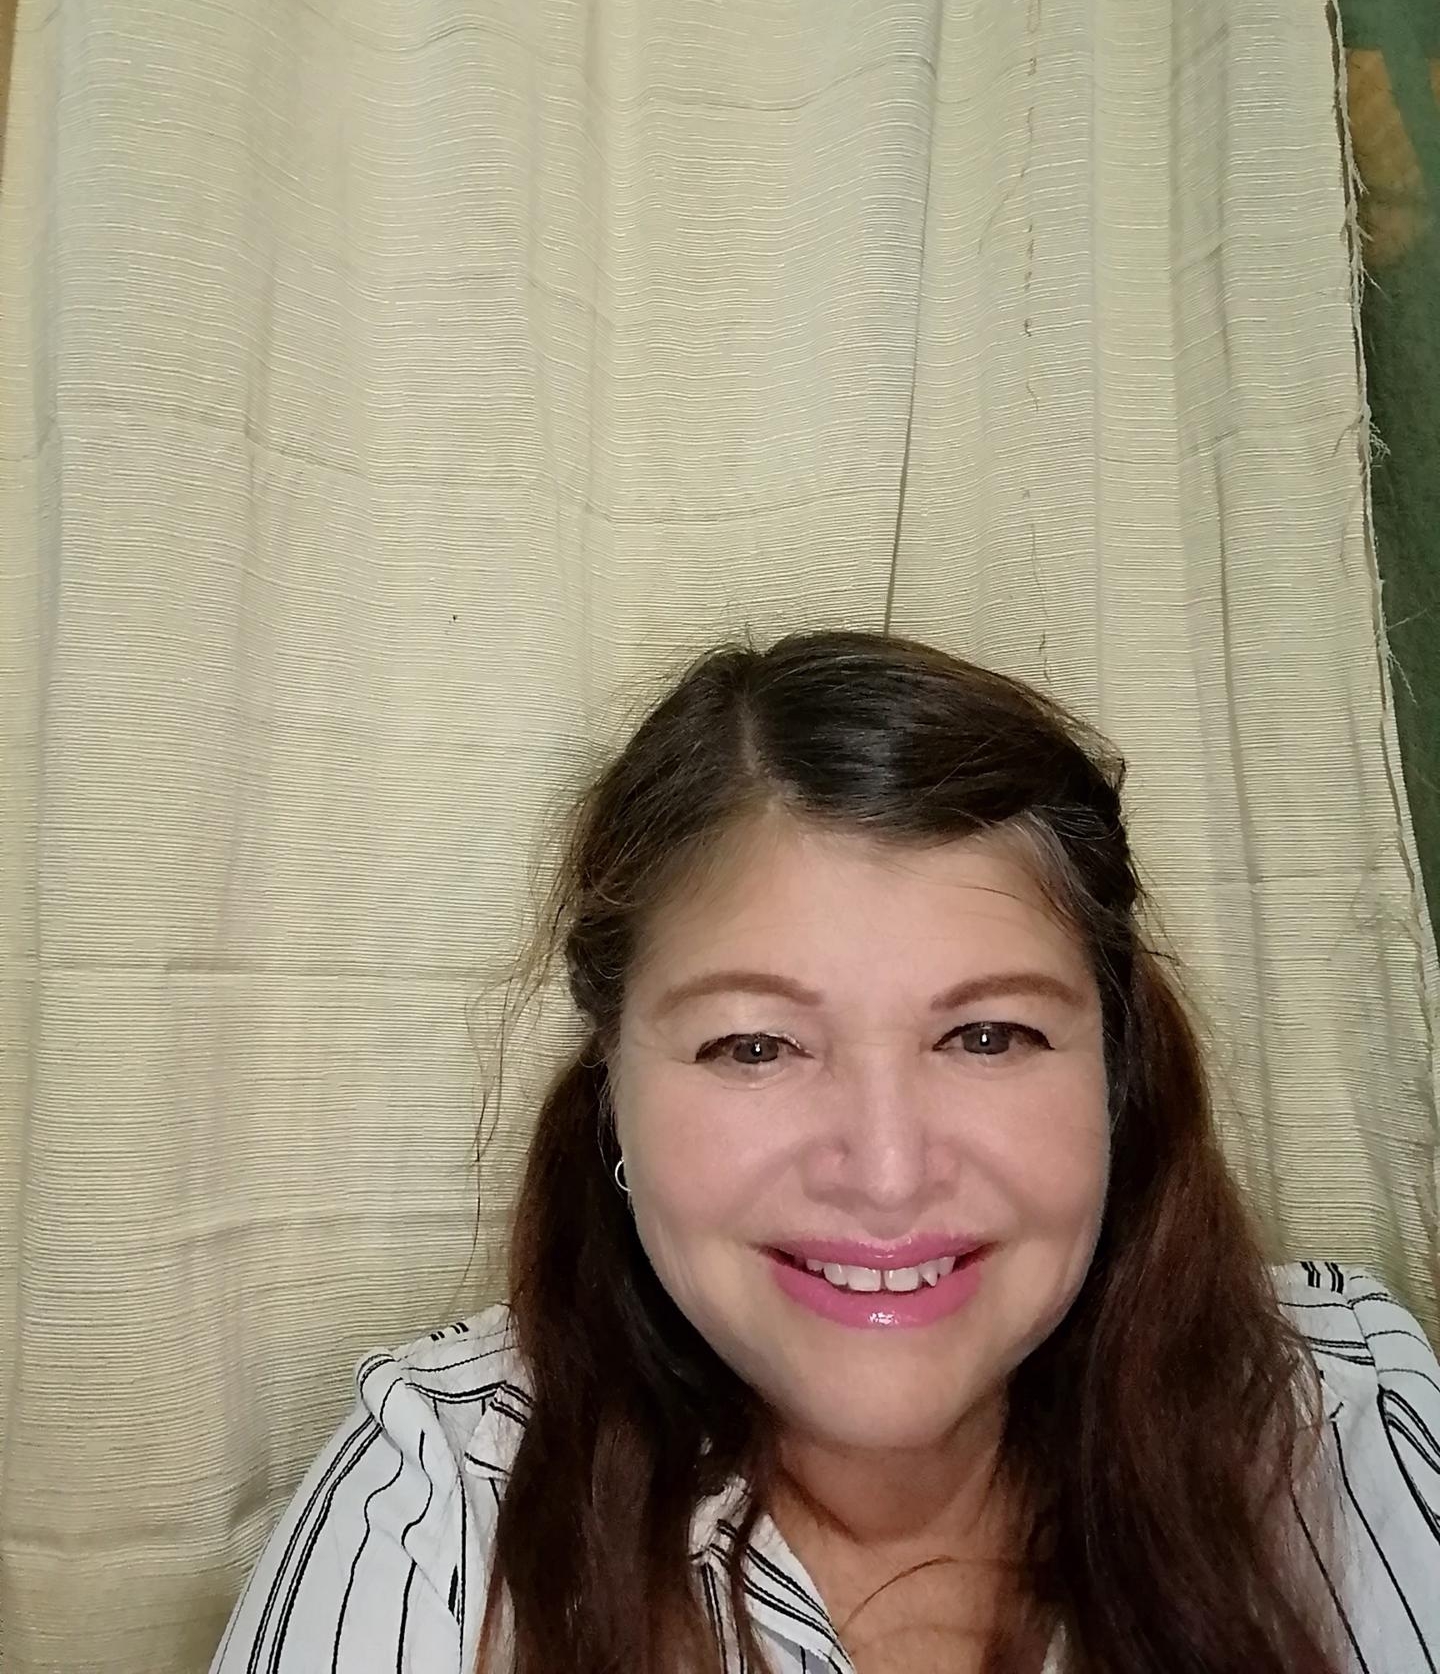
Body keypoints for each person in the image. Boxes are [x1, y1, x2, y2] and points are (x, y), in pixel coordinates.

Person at [209, 629, 1440, 1674]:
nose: (889, 1174)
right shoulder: (436, 1504)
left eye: (988, 1035)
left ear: (1114, 1073)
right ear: (612, 1094)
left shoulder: (1352, 1421)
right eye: (755, 1047)